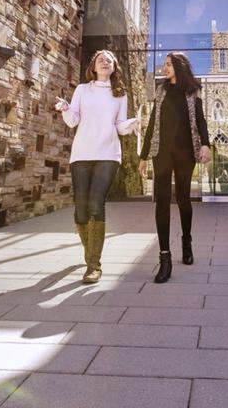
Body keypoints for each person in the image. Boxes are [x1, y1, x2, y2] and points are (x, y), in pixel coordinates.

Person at [56, 50, 138, 283]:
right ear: (93, 65)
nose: (104, 61)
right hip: (82, 154)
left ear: (114, 67)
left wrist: (131, 124)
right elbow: (73, 120)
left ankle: (94, 265)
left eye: (109, 59)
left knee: (96, 204)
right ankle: (89, 248)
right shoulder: (82, 89)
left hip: (108, 154)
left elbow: (120, 126)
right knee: (81, 211)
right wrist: (65, 109)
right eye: (100, 59)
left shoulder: (120, 94)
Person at [138, 52, 211, 283]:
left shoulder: (191, 91)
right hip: (162, 153)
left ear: (179, 66)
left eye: (168, 64)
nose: (164, 68)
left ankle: (186, 241)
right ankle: (164, 258)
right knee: (161, 200)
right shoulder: (161, 91)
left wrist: (206, 144)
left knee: (183, 199)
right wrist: (143, 155)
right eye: (164, 64)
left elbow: (200, 120)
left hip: (186, 153)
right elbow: (151, 123)